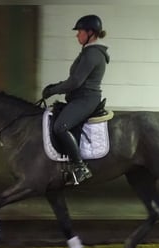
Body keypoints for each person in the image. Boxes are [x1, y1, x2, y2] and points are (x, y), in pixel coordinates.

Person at [42, 14, 110, 184]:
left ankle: (80, 167)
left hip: (86, 99)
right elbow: (75, 79)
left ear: (90, 33)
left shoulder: (92, 54)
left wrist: (54, 90)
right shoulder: (88, 52)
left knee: (60, 127)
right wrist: (56, 85)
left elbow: (75, 81)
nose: (77, 35)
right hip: (80, 98)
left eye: (80, 31)